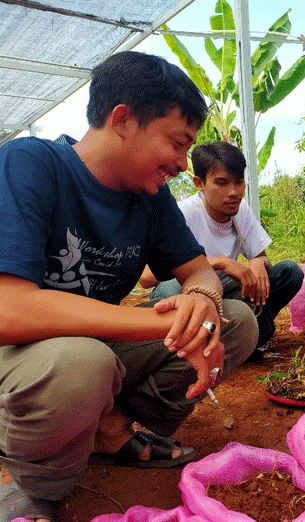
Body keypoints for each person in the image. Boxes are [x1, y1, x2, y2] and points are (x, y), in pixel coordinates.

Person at [0, 51, 259, 522]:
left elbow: (199, 271)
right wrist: (165, 324)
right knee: (82, 362)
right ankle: (37, 483)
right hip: (24, 358)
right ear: (123, 119)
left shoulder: (150, 196)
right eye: (177, 144)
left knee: (235, 321)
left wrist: (200, 302)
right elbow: (9, 310)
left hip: (93, 351)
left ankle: (113, 431)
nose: (183, 164)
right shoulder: (28, 164)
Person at [139, 141, 304, 358]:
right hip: (191, 295)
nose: (234, 192)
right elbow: (146, 278)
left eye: (239, 182)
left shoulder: (240, 209)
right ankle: (178, 349)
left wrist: (256, 261)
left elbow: (265, 263)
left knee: (289, 272)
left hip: (227, 296)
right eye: (222, 183)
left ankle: (249, 338)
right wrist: (219, 262)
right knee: (168, 289)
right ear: (199, 183)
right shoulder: (183, 214)